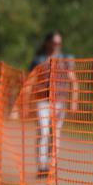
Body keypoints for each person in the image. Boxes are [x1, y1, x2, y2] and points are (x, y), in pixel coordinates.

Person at [23, 30, 78, 175]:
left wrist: (74, 101)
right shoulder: (39, 60)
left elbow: (73, 81)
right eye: (54, 43)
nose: (56, 46)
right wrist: (25, 102)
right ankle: (42, 166)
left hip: (59, 101)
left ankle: (52, 164)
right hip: (42, 101)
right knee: (43, 131)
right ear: (47, 43)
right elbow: (30, 82)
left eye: (58, 43)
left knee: (55, 134)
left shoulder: (65, 60)